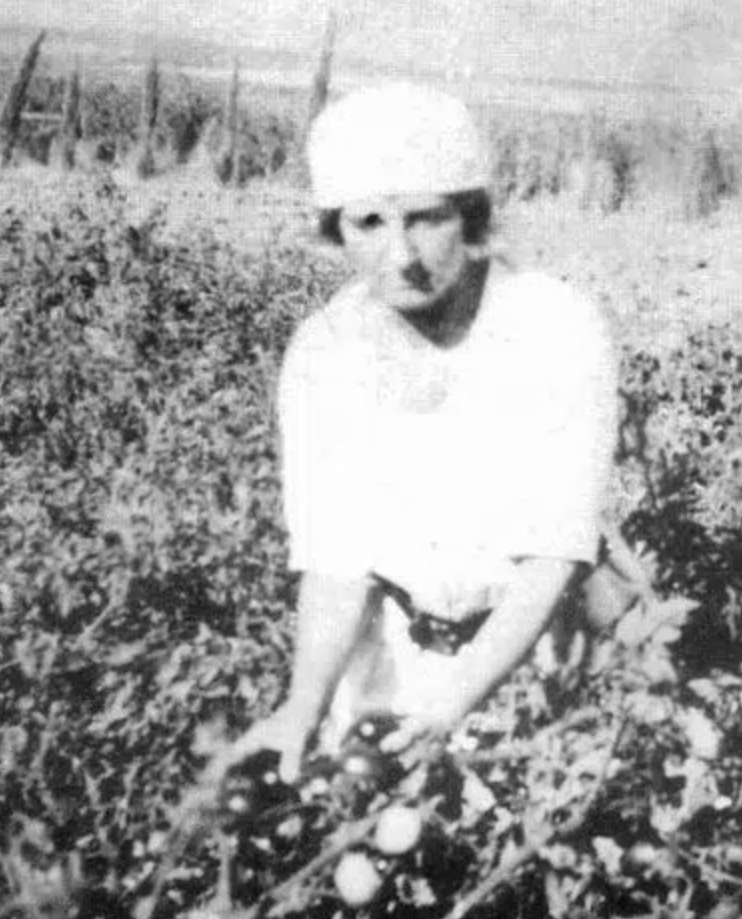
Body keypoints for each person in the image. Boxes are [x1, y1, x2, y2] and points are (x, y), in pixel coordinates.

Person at [223, 81, 618, 784]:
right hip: (392, 664)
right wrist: (302, 706)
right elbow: (336, 558)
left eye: (426, 219)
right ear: (335, 229)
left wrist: (452, 706)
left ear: (470, 218)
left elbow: (552, 556)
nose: (400, 253)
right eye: (367, 223)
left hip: (536, 653)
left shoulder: (555, 327)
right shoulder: (325, 352)